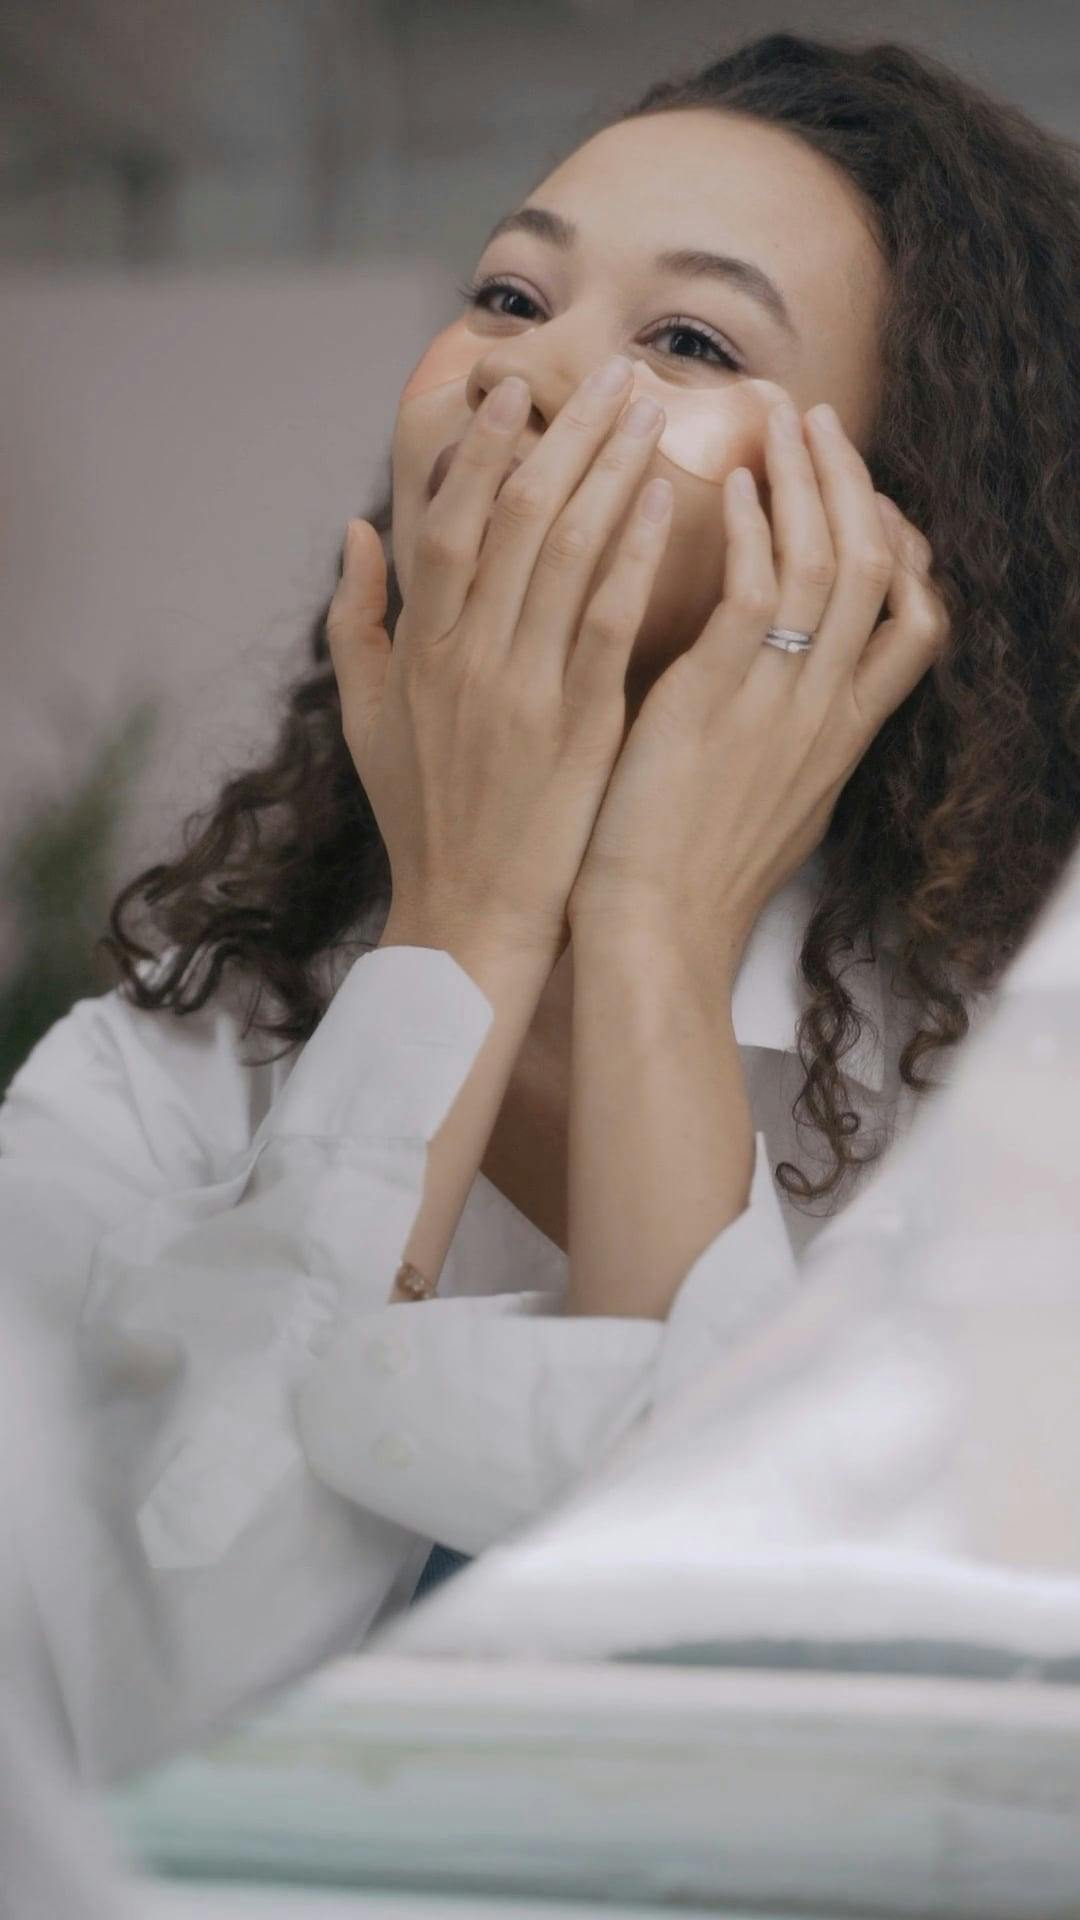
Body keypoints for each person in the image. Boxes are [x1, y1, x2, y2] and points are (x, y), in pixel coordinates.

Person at [2, 31, 1077, 1778]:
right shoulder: (155, 1078)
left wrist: (654, 933)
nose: (532, 375)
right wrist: (464, 921)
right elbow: (109, 1713)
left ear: (881, 537)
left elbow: (775, 1746)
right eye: (510, 296)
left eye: (690, 340)